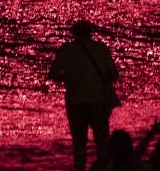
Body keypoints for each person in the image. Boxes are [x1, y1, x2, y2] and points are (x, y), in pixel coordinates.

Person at [49, 21, 118, 171]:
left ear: (73, 33)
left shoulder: (66, 49)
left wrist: (68, 77)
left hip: (75, 101)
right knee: (102, 143)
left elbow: (53, 73)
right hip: (98, 101)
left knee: (79, 144)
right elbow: (114, 75)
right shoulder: (101, 48)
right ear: (90, 32)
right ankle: (103, 168)